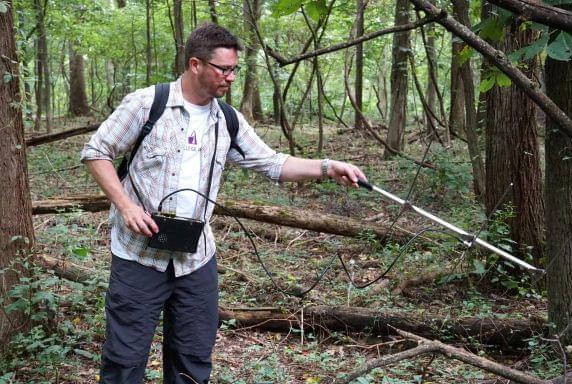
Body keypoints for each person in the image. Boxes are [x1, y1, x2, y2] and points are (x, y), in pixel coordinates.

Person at [81, 22, 367, 384]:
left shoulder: (226, 120)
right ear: (196, 64)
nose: (231, 78)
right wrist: (125, 205)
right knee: (124, 361)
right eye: (224, 69)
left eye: (235, 69)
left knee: (193, 359)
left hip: (195, 260)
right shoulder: (146, 104)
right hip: (139, 256)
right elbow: (96, 151)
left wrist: (328, 167)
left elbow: (272, 162)